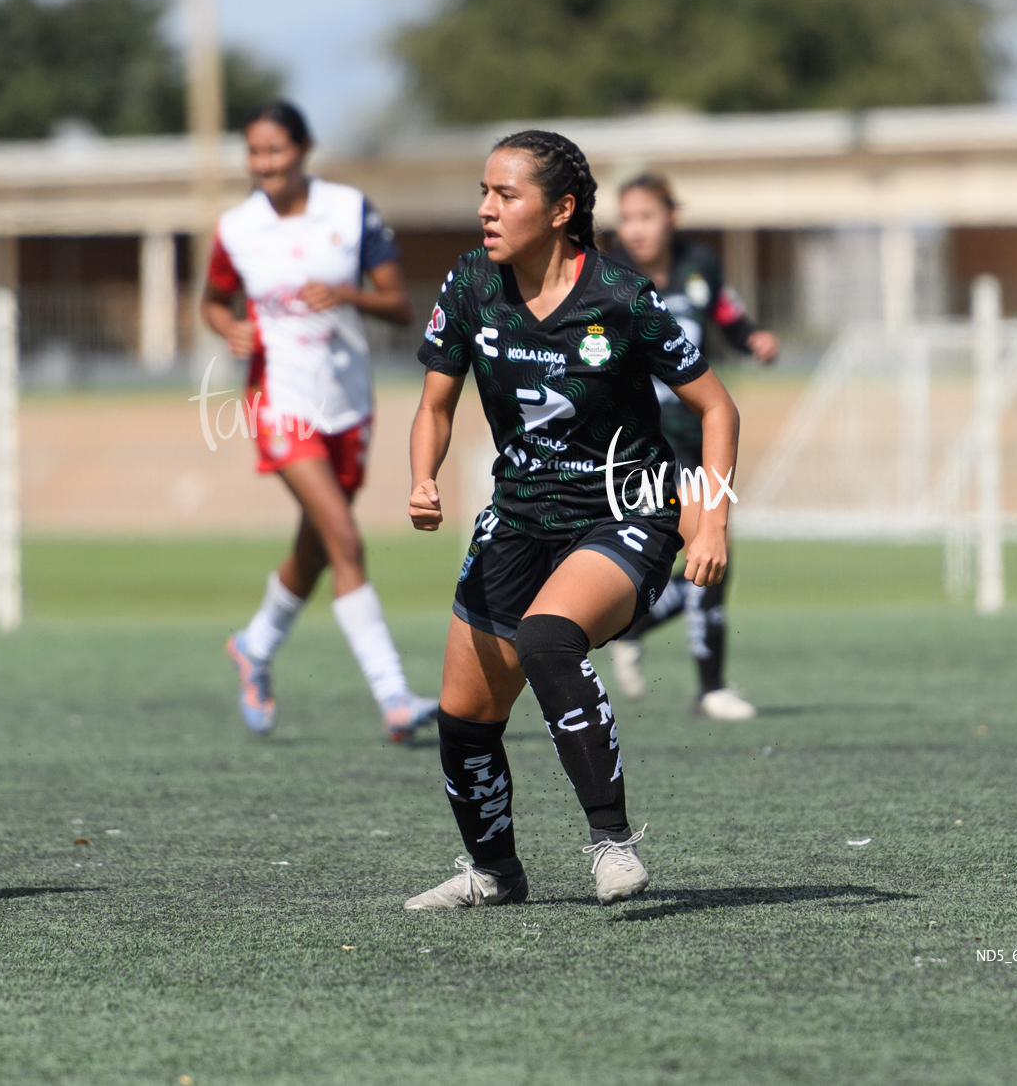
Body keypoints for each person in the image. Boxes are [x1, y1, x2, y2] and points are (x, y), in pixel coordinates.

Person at [403, 131, 739, 909]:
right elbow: (433, 405)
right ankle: (494, 873)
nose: (487, 209)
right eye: (484, 192)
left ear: (560, 211)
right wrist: (421, 477)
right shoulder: (468, 284)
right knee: (464, 716)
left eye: (506, 194)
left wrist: (711, 519)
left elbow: (715, 405)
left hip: (624, 512)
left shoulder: (621, 295)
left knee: (548, 638)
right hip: (517, 519)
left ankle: (613, 845)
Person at [209, 99, 441, 742]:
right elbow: (211, 302)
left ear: (304, 149)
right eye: (255, 152)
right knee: (344, 536)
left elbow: (399, 304)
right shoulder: (237, 229)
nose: (266, 164)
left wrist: (347, 294)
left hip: (348, 404)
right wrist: (229, 328)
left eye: (276, 150)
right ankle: (394, 697)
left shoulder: (350, 210)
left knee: (318, 541)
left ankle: (254, 646)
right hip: (279, 401)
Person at [606, 171, 776, 721]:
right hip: (639, 443)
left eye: (646, 216)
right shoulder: (607, 276)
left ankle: (633, 629)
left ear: (670, 218)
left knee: (710, 556)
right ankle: (710, 687)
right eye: (626, 218)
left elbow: (724, 311)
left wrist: (752, 337)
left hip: (700, 436)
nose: (634, 229)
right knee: (705, 542)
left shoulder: (699, 263)